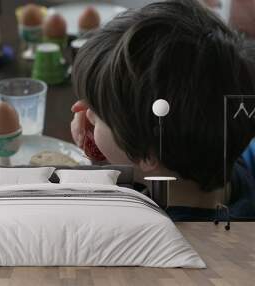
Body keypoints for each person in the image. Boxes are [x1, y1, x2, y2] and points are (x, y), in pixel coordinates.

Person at [70, 0, 255, 219]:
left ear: (148, 155)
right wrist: (112, 152)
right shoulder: (224, 159)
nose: (87, 114)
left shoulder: (155, 236)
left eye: (97, 114)